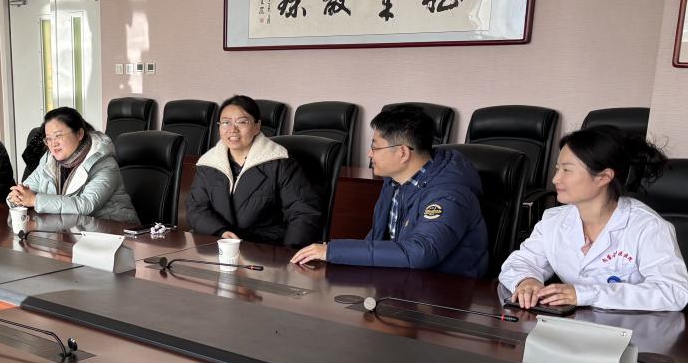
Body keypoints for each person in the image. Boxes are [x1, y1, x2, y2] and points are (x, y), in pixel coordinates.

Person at [501, 126, 688, 311]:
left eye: (567, 170)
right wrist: (527, 281)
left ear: (604, 177)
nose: (555, 179)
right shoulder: (553, 221)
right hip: (572, 323)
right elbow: (520, 262)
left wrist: (585, 294)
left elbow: (674, 292)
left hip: (634, 327)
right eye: (558, 169)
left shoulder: (648, 227)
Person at [291, 105, 488, 277]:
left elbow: (420, 252)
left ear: (402, 153)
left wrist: (332, 251)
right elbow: (377, 238)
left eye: (375, 148)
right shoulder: (394, 180)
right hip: (401, 281)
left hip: (446, 293)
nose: (369, 154)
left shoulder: (450, 194)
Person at [187, 95, 323, 245]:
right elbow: (196, 208)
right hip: (221, 245)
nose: (232, 129)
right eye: (225, 122)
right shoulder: (208, 163)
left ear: (257, 126)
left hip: (266, 248)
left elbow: (303, 213)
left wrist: (289, 253)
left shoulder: (280, 163)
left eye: (242, 122)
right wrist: (221, 232)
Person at [9, 106, 139, 223]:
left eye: (58, 136)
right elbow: (28, 187)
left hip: (115, 232)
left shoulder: (105, 163)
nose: (53, 144)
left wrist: (34, 200)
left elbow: (86, 205)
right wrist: (17, 197)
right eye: (48, 139)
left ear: (80, 134)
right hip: (73, 231)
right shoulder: (49, 159)